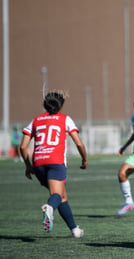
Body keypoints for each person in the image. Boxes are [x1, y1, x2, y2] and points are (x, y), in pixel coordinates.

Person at [20, 92, 88, 238]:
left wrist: (28, 165)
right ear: (61, 105)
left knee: (62, 196)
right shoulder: (65, 119)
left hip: (38, 163)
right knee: (56, 195)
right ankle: (49, 208)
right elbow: (79, 143)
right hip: (56, 162)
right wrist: (84, 159)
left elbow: (23, 147)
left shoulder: (36, 120)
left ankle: (75, 230)